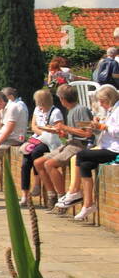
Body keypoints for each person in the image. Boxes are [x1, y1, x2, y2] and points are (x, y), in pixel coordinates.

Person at [42, 84, 93, 213]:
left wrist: (65, 128)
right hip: (70, 143)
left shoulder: (81, 110)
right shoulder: (70, 111)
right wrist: (63, 132)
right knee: (39, 162)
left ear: (62, 99)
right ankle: (53, 195)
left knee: (49, 164)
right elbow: (74, 132)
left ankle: (62, 198)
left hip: (79, 145)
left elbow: (87, 133)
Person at [72, 85, 119, 222]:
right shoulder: (111, 110)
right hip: (106, 146)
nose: (101, 105)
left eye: (103, 101)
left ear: (110, 99)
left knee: (81, 155)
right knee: (85, 165)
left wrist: (103, 126)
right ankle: (88, 204)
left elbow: (116, 131)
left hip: (114, 149)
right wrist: (97, 124)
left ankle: (75, 191)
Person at [23, 88, 65, 206]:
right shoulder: (37, 109)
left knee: (36, 153)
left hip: (50, 141)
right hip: (39, 138)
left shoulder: (55, 112)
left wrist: (45, 133)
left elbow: (59, 130)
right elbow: (34, 126)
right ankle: (30, 189)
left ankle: (39, 184)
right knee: (26, 159)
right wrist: (43, 134)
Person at [0, 88, 28, 192]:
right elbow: (1, 129)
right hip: (7, 138)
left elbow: (9, 129)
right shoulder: (4, 109)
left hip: (14, 139)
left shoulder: (13, 108)